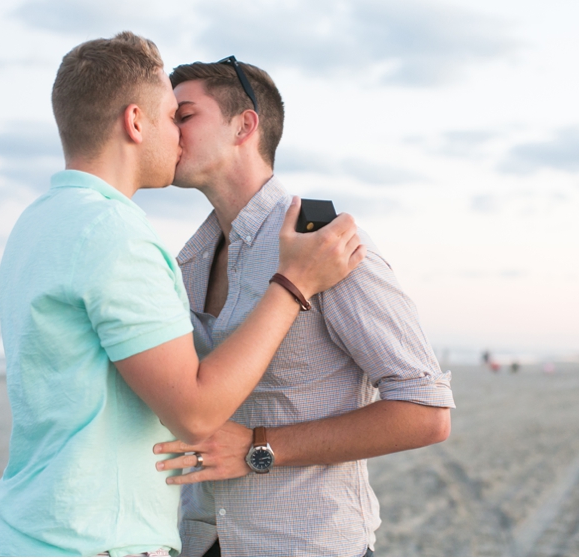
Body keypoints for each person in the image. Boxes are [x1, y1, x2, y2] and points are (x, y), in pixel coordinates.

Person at [0, 33, 365, 557]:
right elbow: (196, 413)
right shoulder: (116, 234)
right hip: (94, 541)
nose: (178, 137)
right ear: (135, 123)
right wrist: (293, 283)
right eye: (170, 117)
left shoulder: (37, 222)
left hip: (21, 530)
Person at [151, 58, 456, 556]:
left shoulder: (323, 241)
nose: (169, 132)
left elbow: (427, 412)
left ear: (244, 125)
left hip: (307, 544)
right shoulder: (189, 260)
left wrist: (258, 449)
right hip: (202, 541)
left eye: (183, 115)